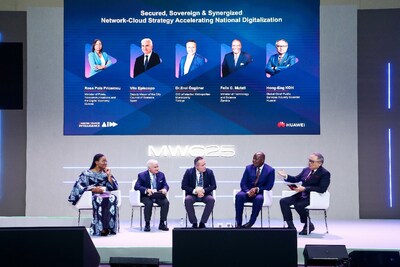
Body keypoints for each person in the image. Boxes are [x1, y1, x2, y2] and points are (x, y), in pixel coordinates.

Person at [278, 152, 331, 235]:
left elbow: (322, 189)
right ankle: (291, 227)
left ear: (320, 163)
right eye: (309, 160)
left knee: (298, 205)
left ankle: (308, 224)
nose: (309, 163)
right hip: (301, 194)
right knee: (283, 201)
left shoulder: (324, 173)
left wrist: (305, 188)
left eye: (312, 161)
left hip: (313, 197)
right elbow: (296, 179)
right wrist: (286, 176)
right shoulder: (306, 170)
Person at [68, 153, 119, 236]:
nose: (105, 163)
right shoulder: (86, 173)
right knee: (99, 199)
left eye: (106, 161)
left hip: (103, 194)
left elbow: (113, 187)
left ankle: (108, 227)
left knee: (113, 197)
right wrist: (93, 189)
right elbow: (80, 186)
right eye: (103, 161)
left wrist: (109, 175)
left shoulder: (105, 174)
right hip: (90, 196)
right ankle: (99, 227)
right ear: (96, 162)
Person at [235, 152, 275, 228]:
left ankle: (251, 222)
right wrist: (248, 191)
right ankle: (239, 223)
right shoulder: (248, 168)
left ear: (262, 160)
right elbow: (243, 183)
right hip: (247, 193)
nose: (253, 161)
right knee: (239, 195)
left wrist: (257, 189)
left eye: (255, 159)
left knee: (259, 199)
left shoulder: (270, 170)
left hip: (259, 193)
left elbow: (269, 186)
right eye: (253, 159)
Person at [134, 159, 170, 232]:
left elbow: (165, 185)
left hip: (157, 195)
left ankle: (162, 223)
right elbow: (136, 186)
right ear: (149, 168)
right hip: (147, 196)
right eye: (155, 167)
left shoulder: (161, 175)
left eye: (157, 166)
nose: (157, 168)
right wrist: (146, 190)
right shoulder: (142, 175)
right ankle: (147, 224)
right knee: (149, 203)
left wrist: (165, 189)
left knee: (166, 202)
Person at [181, 156, 217, 228]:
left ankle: (202, 222)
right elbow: (183, 186)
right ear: (196, 166)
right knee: (187, 200)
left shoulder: (209, 172)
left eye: (205, 164)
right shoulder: (189, 172)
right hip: (193, 194)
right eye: (202, 165)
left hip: (205, 194)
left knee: (211, 200)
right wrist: (195, 191)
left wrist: (203, 190)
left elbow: (214, 186)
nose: (205, 167)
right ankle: (194, 222)